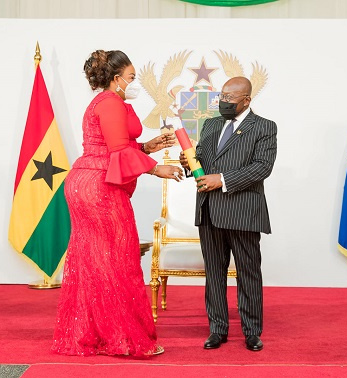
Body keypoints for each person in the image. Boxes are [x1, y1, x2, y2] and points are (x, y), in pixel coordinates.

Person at [52, 50, 183, 357]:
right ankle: (122, 338)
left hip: (89, 180)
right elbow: (116, 150)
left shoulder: (103, 103)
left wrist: (148, 146)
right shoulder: (110, 102)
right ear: (116, 78)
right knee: (116, 259)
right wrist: (155, 167)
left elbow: (112, 145)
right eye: (131, 77)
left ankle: (95, 334)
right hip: (98, 187)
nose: (133, 82)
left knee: (96, 260)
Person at [179, 76, 277, 351]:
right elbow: (199, 159)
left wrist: (221, 179)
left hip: (243, 211)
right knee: (214, 273)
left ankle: (251, 331)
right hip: (209, 210)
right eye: (221, 96)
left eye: (229, 99)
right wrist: (188, 163)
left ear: (246, 99)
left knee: (248, 273)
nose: (223, 102)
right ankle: (217, 329)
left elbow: (262, 168)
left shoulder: (265, 127)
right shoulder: (211, 124)